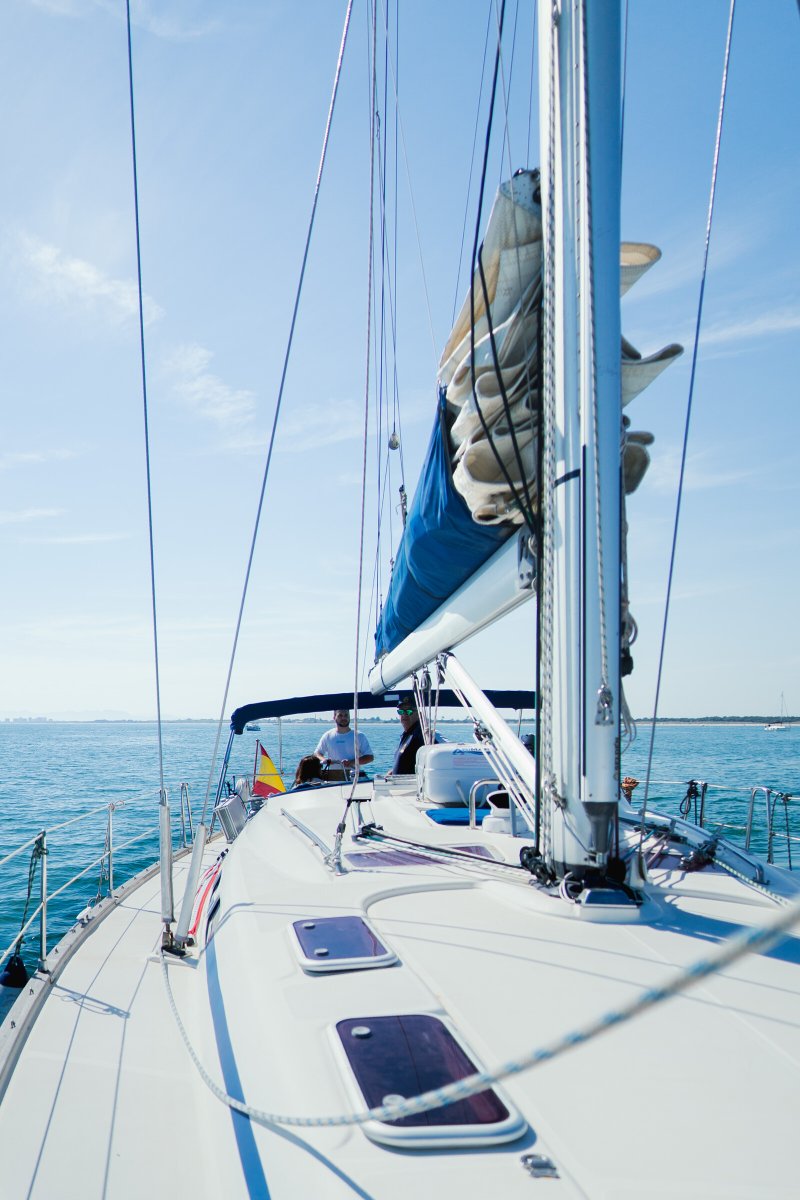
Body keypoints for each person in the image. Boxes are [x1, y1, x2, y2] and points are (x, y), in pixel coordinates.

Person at [392, 693, 426, 774]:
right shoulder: (407, 735)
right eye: (401, 711)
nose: (404, 714)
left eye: (409, 711)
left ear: (419, 715)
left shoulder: (423, 734)